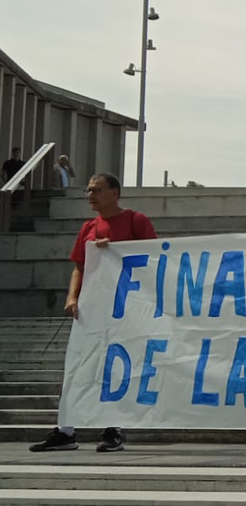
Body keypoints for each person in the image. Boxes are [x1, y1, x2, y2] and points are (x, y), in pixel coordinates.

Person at [30, 174, 157, 453]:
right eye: (88, 190)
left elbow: (154, 258)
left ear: (115, 193)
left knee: (117, 368)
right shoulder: (88, 227)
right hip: (92, 308)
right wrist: (72, 296)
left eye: (98, 190)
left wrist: (116, 250)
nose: (91, 195)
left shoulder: (136, 220)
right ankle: (66, 430)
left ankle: (113, 429)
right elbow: (80, 266)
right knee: (78, 366)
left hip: (126, 309)